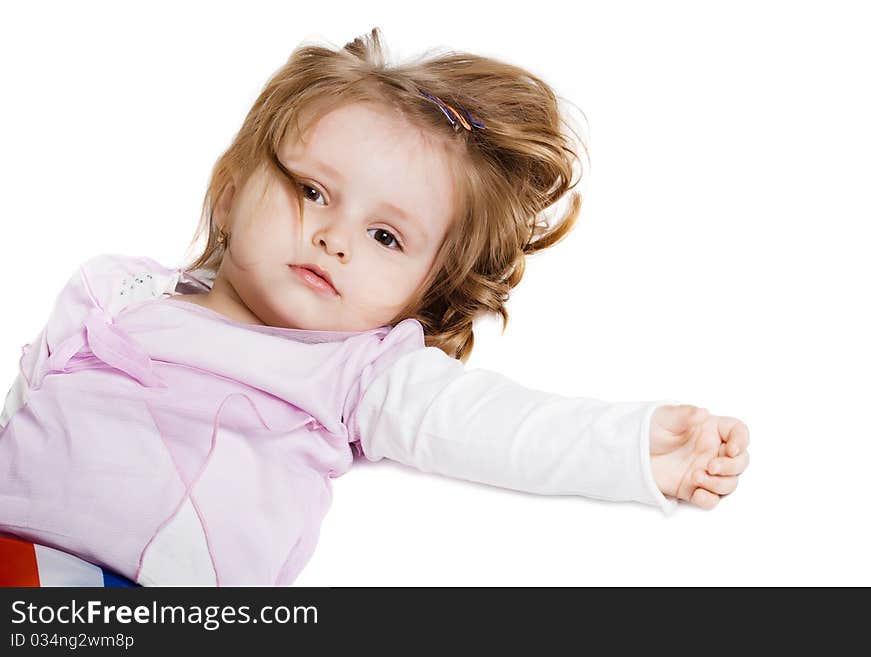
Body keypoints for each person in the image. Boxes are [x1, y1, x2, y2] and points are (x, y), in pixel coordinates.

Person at [0, 28, 749, 586]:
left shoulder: (361, 372)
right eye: (313, 191)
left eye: (385, 235)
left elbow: (498, 426)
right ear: (230, 190)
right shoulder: (120, 290)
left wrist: (640, 448)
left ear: (420, 294)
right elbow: (24, 407)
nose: (333, 238)